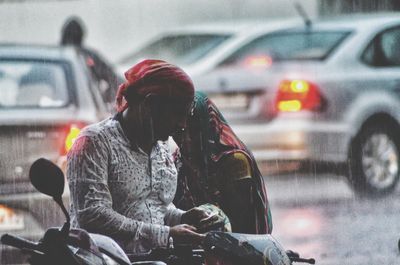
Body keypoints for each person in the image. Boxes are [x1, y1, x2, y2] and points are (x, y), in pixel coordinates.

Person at [67, 59, 211, 255]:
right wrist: (165, 233)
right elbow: (93, 215)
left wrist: (182, 218)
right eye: (178, 114)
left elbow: (152, 208)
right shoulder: (95, 142)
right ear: (150, 104)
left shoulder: (161, 147)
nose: (182, 124)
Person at [173, 91, 273, 234]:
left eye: (193, 130)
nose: (185, 138)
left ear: (208, 125)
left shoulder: (233, 161)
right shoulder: (178, 160)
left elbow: (244, 226)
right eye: (178, 130)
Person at [60, 17, 122, 105]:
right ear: (81, 36)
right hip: (90, 108)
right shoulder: (90, 56)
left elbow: (116, 81)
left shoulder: (56, 57)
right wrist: (102, 99)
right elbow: (116, 81)